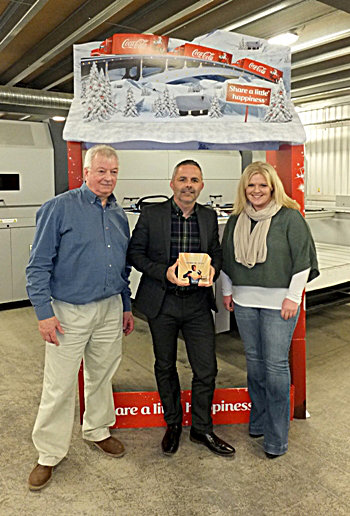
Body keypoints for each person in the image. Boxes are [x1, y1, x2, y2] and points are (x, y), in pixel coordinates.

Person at [26, 144, 134, 490]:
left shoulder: (119, 215)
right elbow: (38, 265)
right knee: (59, 385)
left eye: (113, 171)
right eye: (101, 170)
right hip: (68, 312)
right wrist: (44, 313)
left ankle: (97, 430)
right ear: (86, 172)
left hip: (110, 308)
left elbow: (123, 266)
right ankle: (48, 453)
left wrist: (126, 305)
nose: (107, 177)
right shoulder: (59, 209)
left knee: (102, 375)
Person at [128, 159, 235, 457]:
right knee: (165, 365)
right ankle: (173, 423)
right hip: (162, 301)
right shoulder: (152, 214)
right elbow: (135, 253)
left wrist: (213, 269)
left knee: (206, 369)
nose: (189, 185)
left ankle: (201, 428)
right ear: (172, 183)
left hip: (198, 304)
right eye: (183, 179)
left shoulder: (208, 216)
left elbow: (216, 252)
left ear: (201, 185)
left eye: (195, 180)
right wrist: (164, 272)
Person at [221, 161, 319, 458]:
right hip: (245, 300)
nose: (256, 190)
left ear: (273, 186)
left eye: (263, 185)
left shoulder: (290, 218)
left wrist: (293, 297)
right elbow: (227, 259)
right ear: (244, 188)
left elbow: (303, 260)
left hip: (280, 304)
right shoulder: (237, 218)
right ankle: (259, 420)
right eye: (251, 185)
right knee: (254, 363)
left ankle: (276, 438)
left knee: (275, 366)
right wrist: (228, 291)